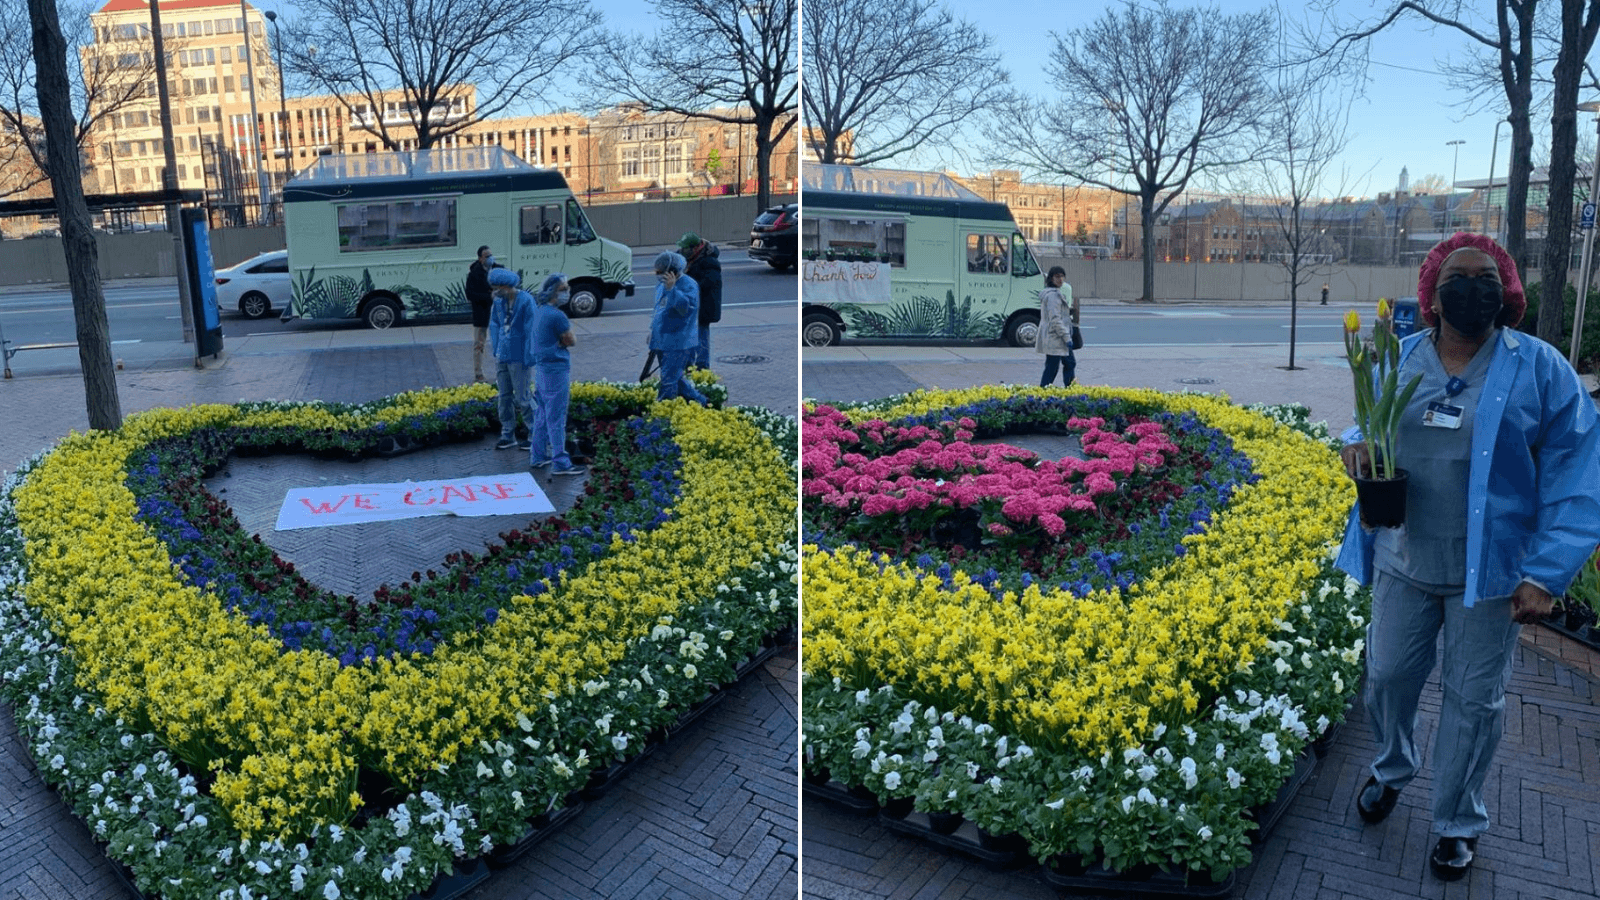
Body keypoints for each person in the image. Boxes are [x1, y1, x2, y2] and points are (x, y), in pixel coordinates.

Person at [1334, 232, 1600, 882]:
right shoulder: (1398, 358)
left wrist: (1547, 571)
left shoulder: (1539, 367)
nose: (1472, 286)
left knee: (1473, 702)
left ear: (1506, 290)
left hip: (1493, 576)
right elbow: (1368, 420)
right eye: (1459, 275)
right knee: (1389, 677)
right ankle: (1393, 767)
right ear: (1433, 291)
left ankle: (1457, 821)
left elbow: (1577, 467)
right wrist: (1355, 445)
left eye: (1487, 276)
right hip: (1405, 556)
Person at [527, 273, 585, 476]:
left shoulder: (540, 311)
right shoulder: (557, 316)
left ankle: (538, 456)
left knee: (542, 414)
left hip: (542, 370)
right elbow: (571, 340)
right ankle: (560, 462)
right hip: (556, 371)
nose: (567, 293)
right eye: (563, 289)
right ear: (553, 292)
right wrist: (563, 342)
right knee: (556, 417)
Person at [649, 251, 710, 406]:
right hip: (662, 339)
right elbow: (659, 310)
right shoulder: (663, 285)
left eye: (661, 272)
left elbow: (685, 309)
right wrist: (653, 331)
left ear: (673, 272)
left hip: (678, 341)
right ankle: (702, 401)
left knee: (668, 380)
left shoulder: (689, 285)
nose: (658, 275)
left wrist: (672, 290)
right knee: (675, 377)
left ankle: (664, 412)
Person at [487, 267, 536, 450]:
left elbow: (531, 328)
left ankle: (535, 434)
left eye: (497, 287)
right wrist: (496, 346)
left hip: (519, 355)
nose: (495, 291)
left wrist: (529, 354)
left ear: (507, 286)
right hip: (502, 354)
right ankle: (508, 434)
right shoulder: (498, 302)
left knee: (523, 396)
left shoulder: (526, 301)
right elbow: (495, 323)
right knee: (504, 396)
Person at [679, 233, 722, 370]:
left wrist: (686, 285)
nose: (683, 251)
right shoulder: (690, 258)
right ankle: (689, 363)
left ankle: (702, 366)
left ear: (696, 248)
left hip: (704, 307)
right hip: (692, 306)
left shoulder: (710, 262)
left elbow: (706, 284)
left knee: (701, 336)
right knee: (690, 336)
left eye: (686, 249)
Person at [1034, 265, 1077, 387]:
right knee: (1054, 366)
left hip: (1056, 336)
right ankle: (1045, 391)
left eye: (1062, 276)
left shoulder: (1054, 293)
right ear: (1051, 279)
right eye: (1057, 276)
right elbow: (1055, 320)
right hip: (1056, 337)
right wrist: (1067, 337)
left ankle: (1067, 389)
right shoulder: (1053, 296)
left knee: (1067, 363)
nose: (1061, 279)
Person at [466, 245, 495, 381]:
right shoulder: (474, 274)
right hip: (481, 313)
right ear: (480, 259)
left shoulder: (497, 269)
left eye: (490, 255)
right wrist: (489, 296)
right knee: (479, 344)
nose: (490, 258)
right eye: (487, 256)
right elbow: (470, 294)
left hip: (497, 313)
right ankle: (478, 373)